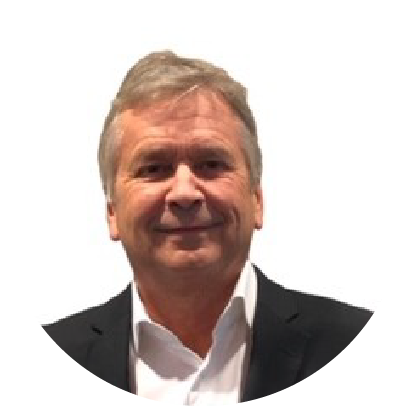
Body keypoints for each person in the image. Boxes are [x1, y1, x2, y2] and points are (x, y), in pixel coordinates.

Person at [1, 51, 406, 406]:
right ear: (112, 212)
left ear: (257, 199)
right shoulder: (27, 376)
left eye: (211, 164)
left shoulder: (378, 359)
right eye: (154, 168)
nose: (184, 193)